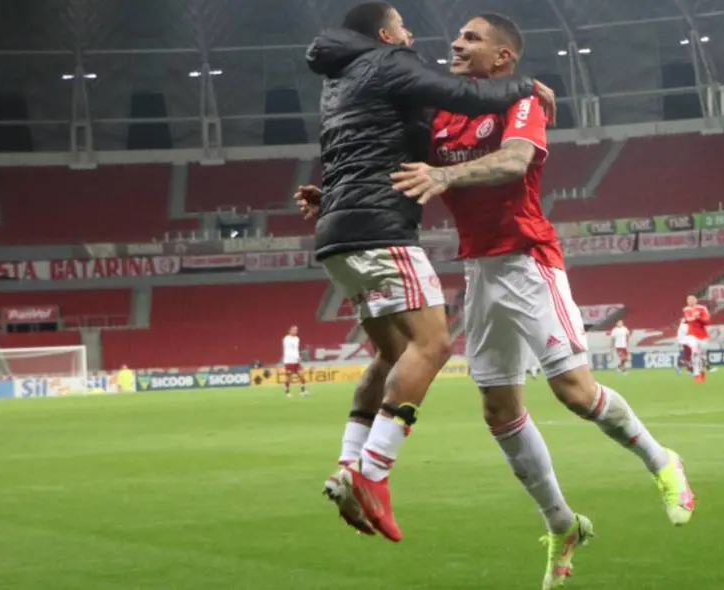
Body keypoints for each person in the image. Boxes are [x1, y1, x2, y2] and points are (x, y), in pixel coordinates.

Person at [389, 14, 694, 588]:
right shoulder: (442, 115)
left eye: (472, 38)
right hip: (480, 270)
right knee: (498, 411)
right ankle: (562, 525)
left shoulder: (520, 103)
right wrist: (330, 193)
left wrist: (444, 176)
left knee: (573, 392)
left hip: (529, 260)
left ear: (503, 58)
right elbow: (394, 158)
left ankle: (663, 461)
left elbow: (513, 161)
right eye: (458, 35)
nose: (456, 43)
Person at [298, 1, 557, 543]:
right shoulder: (389, 61)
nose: (414, 35)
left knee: (392, 355)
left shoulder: (339, 79)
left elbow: (355, 149)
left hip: (337, 234)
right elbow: (464, 94)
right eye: (404, 26)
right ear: (387, 33)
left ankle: (347, 466)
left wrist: (332, 200)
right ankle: (372, 474)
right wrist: (528, 86)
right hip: (380, 229)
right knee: (434, 346)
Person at [682, 295, 710, 382]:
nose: (689, 301)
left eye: (691, 299)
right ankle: (696, 374)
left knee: (701, 355)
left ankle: (701, 372)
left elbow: (707, 322)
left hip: (702, 335)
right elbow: (688, 320)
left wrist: (699, 318)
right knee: (694, 353)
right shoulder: (685, 310)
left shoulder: (702, 308)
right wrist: (684, 321)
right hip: (691, 335)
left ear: (696, 300)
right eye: (688, 300)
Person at [282, 325, 308, 397]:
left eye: (296, 330)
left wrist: (298, 357)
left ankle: (302, 391)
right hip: (289, 361)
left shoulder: (297, 338)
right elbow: (289, 350)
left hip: (296, 361)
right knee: (288, 377)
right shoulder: (286, 339)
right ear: (289, 331)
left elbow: (295, 349)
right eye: (293, 330)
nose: (295, 331)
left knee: (302, 375)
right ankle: (287, 392)